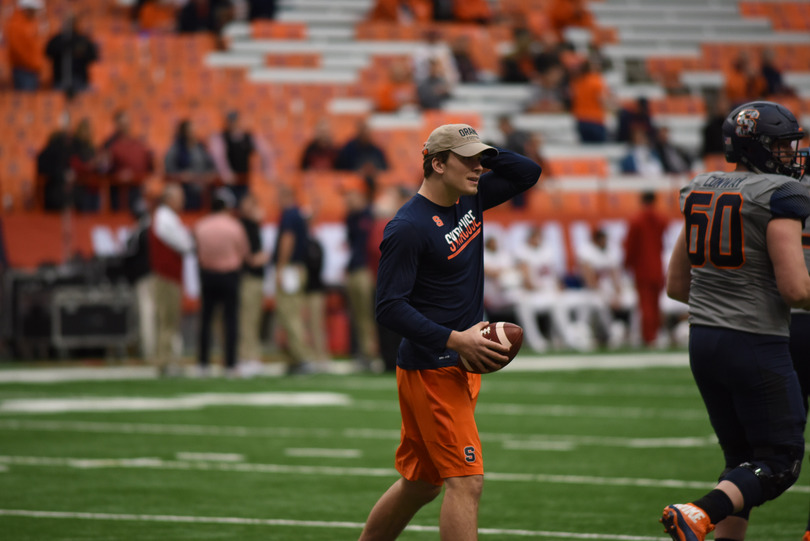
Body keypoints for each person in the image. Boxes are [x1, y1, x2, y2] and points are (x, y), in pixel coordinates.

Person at [358, 124, 541, 540]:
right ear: (437, 164)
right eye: (467, 160)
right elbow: (388, 307)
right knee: (466, 481)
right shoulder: (407, 227)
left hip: (453, 363)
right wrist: (456, 340)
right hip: (434, 368)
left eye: (481, 160)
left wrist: (481, 155)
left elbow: (528, 173)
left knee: (422, 483)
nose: (478, 169)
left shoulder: (469, 201)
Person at [660, 100, 810, 541]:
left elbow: (676, 285)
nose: (791, 155)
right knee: (780, 462)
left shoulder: (700, 187)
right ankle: (697, 513)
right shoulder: (781, 195)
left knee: (742, 459)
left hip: (703, 339)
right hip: (755, 340)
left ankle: (707, 521)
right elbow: (796, 290)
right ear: (759, 147)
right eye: (782, 147)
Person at [194, 188, 250, 377]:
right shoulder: (234, 226)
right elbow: (243, 253)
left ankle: (203, 362)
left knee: (206, 320)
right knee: (231, 320)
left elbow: (198, 252)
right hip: (229, 276)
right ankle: (230, 363)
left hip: (208, 274)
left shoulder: (201, 225)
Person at [149, 183, 194, 377]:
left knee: (169, 320)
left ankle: (166, 359)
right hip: (167, 276)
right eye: (179, 197)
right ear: (169, 199)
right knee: (168, 320)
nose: (182, 201)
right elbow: (184, 244)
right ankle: (165, 361)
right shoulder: (165, 218)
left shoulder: (167, 218)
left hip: (170, 276)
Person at [272, 185, 317, 375]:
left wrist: (281, 266)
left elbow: (287, 239)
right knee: (292, 313)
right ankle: (295, 357)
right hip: (297, 268)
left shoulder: (289, 214)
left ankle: (302, 357)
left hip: (291, 268)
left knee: (290, 314)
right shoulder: (298, 214)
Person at [343, 178, 380, 371]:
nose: (348, 200)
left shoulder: (369, 214)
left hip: (365, 269)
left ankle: (371, 352)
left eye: (351, 196)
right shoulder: (351, 217)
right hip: (354, 269)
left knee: (367, 313)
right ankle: (363, 352)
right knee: (358, 314)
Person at [623, 191, 668, 348]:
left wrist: (627, 264)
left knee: (646, 304)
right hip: (657, 266)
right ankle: (655, 333)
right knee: (655, 304)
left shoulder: (636, 220)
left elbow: (630, 246)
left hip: (642, 267)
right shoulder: (661, 219)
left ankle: (649, 337)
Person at [209, 110, 276, 204]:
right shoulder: (221, 137)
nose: (233, 123)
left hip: (244, 180)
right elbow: (218, 156)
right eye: (231, 121)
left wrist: (267, 170)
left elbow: (266, 152)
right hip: (226, 183)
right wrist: (226, 173)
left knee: (243, 204)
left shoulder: (249, 137)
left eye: (235, 120)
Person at [237, 192, 270, 377]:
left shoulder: (253, 225)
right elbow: (243, 251)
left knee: (253, 318)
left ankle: (251, 355)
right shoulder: (243, 225)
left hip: (255, 278)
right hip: (249, 277)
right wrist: (253, 259)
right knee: (247, 319)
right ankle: (247, 356)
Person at [102, 109, 155, 213]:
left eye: (127, 123)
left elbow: (148, 163)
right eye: (122, 123)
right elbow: (103, 168)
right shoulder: (109, 144)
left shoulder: (137, 142)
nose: (125, 126)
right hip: (118, 190)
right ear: (116, 124)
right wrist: (116, 174)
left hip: (137, 188)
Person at [164, 118, 217, 211]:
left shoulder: (201, 147)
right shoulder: (177, 148)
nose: (193, 133)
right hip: (185, 190)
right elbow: (169, 167)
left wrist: (209, 174)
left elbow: (211, 165)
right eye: (190, 130)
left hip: (202, 189)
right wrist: (180, 175)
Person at [44, 14, 99, 95]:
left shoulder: (82, 39)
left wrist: (79, 51)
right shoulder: (58, 39)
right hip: (60, 79)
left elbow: (92, 56)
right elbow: (48, 52)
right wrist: (63, 47)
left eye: (72, 22)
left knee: (81, 104)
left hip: (80, 80)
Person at [5, 0, 45, 92]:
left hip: (31, 69)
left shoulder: (29, 23)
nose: (35, 13)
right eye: (33, 10)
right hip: (24, 70)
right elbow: (19, 50)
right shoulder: (16, 25)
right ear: (26, 9)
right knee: (26, 98)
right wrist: (33, 63)